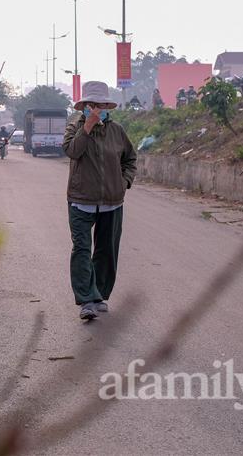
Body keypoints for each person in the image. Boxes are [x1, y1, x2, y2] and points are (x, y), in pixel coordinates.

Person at [62, 81, 137, 321]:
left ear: (107, 107)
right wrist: (87, 127)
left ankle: (99, 296)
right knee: (82, 249)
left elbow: (130, 159)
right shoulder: (74, 127)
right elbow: (72, 151)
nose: (96, 109)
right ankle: (86, 300)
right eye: (92, 105)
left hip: (112, 202)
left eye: (101, 105)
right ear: (84, 106)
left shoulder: (117, 131)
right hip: (80, 200)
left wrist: (123, 182)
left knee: (107, 251)